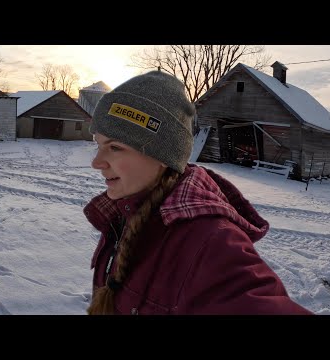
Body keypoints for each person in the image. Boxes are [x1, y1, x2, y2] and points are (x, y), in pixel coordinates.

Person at [83, 70, 313, 315]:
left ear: (163, 156)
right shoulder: (124, 214)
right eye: (98, 145)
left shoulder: (209, 243)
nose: (97, 162)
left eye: (115, 147)